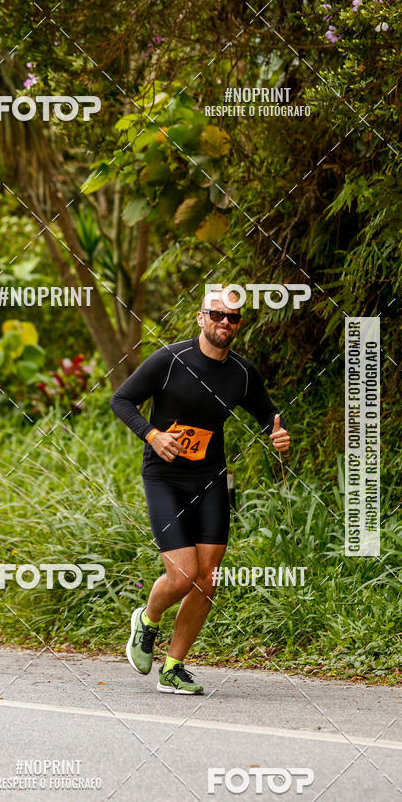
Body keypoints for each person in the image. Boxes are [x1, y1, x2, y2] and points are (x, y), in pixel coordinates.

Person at [109, 289, 290, 694]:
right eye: (218, 315)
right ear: (201, 317)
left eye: (234, 318)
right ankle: (147, 619)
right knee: (184, 574)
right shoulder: (169, 360)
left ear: (239, 325)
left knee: (207, 579)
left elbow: (268, 416)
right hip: (165, 478)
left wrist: (277, 435)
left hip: (209, 479)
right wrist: (152, 435)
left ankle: (173, 668)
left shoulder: (242, 374)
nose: (225, 323)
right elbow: (121, 400)